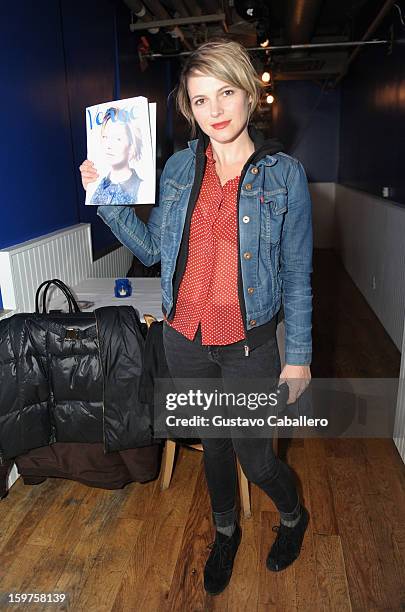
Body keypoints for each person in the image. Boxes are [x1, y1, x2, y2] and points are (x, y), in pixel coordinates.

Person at [80, 39, 312, 596]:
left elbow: (298, 275)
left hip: (250, 344)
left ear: (249, 92)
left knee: (256, 459)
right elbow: (155, 249)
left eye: (226, 92)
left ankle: (292, 516)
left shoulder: (285, 175)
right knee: (214, 448)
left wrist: (298, 356)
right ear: (188, 106)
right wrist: (105, 198)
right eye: (201, 99)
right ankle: (225, 533)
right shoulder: (182, 166)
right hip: (185, 338)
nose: (216, 110)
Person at [89, 107, 143, 205]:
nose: (108, 145)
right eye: (105, 137)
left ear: (131, 147)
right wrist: (88, 186)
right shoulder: (99, 186)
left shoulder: (142, 189)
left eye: (118, 139)